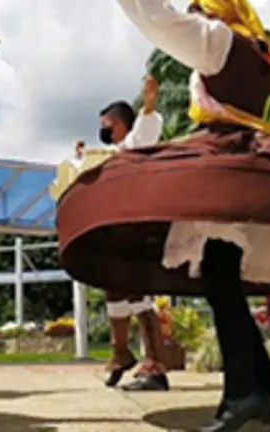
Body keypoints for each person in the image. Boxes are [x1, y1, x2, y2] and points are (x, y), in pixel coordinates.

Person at [55, 1, 270, 430]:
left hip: (226, 170)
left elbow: (159, 19)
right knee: (223, 280)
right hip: (246, 171)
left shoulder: (217, 42)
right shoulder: (263, 54)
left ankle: (245, 393)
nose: (195, 13)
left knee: (220, 279)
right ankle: (267, 388)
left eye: (199, 6)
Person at [95, 78, 170, 391]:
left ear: (119, 124)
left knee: (139, 292)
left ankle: (155, 367)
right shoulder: (118, 152)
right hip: (120, 228)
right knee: (113, 288)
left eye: (106, 124)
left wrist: (149, 102)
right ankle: (120, 351)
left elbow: (148, 123)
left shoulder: (139, 140)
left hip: (141, 225)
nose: (103, 129)